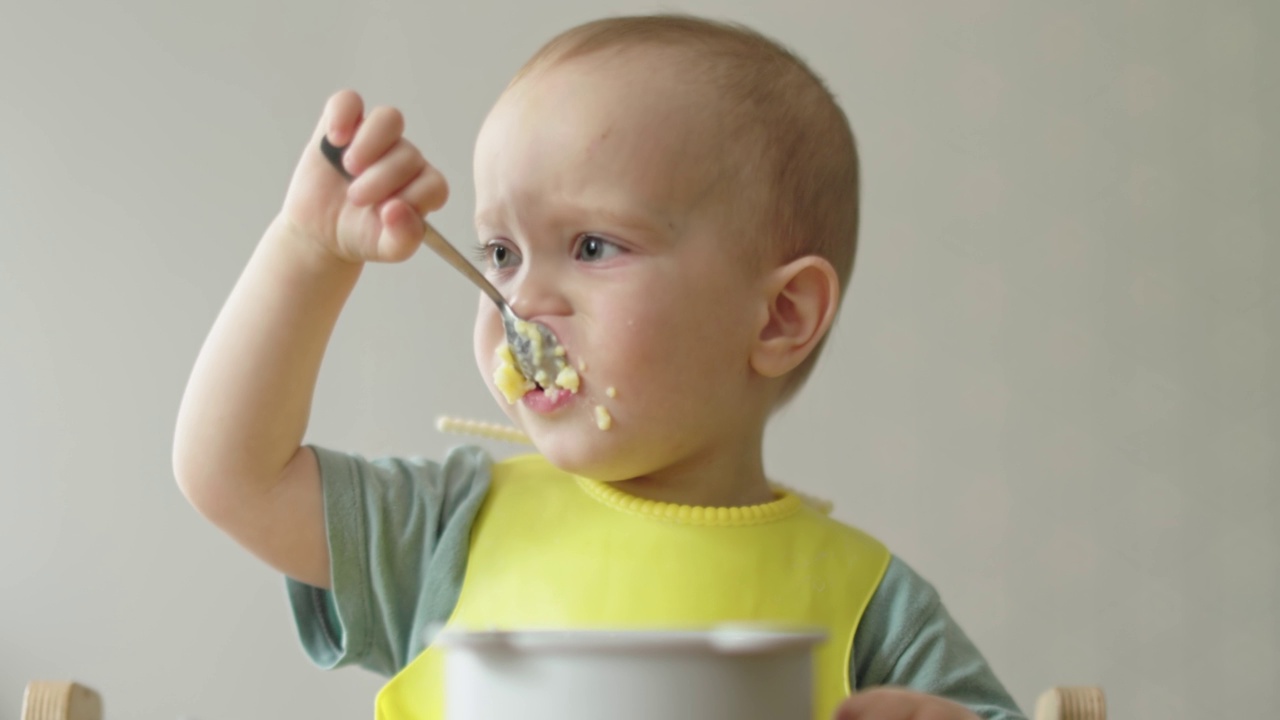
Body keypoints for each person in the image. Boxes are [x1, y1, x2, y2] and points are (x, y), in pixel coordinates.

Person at [173, 14, 1025, 720]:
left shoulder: (871, 603)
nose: (523, 298)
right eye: (500, 252)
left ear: (779, 316)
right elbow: (232, 475)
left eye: (590, 245)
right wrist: (306, 252)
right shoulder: (445, 532)